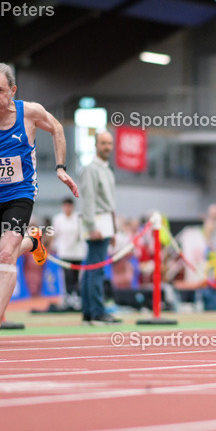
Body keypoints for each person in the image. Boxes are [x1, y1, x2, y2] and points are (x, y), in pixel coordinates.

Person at [0, 62, 78, 346]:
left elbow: (56, 128)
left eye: (0, 91)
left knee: (7, 254)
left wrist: (61, 167)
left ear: (12, 90)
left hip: (21, 194)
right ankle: (33, 242)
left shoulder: (30, 112)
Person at [79, 131, 120, 325]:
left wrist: (113, 228)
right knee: (96, 270)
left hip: (105, 223)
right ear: (96, 145)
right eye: (103, 143)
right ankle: (97, 311)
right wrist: (92, 226)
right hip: (96, 223)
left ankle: (89, 312)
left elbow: (110, 203)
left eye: (109, 144)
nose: (107, 147)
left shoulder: (107, 170)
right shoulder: (91, 169)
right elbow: (88, 199)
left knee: (91, 269)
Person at [51, 198, 86, 307]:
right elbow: (54, 234)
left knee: (76, 277)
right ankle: (67, 297)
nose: (67, 208)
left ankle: (77, 297)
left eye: (69, 206)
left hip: (77, 253)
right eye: (65, 206)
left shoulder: (78, 218)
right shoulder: (58, 219)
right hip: (64, 253)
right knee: (67, 276)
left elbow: (82, 234)